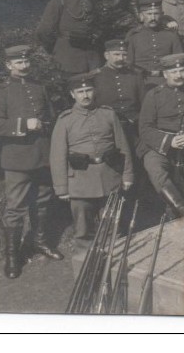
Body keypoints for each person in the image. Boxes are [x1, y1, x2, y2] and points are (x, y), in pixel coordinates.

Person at [0, 45, 62, 279]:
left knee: (42, 201)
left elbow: (50, 117)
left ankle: (39, 243)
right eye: (19, 63)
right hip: (17, 158)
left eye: (27, 61)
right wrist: (23, 125)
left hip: (42, 155)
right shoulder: (1, 92)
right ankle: (12, 256)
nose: (24, 66)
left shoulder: (39, 87)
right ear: (9, 66)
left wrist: (45, 125)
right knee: (15, 208)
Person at [50, 73, 134, 243]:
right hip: (80, 182)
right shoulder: (65, 120)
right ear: (72, 95)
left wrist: (127, 175)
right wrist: (62, 188)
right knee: (83, 232)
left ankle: (115, 264)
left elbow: (122, 146)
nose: (85, 95)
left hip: (109, 177)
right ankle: (85, 266)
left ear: (94, 91)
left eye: (88, 90)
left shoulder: (108, 114)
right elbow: (58, 156)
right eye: (80, 92)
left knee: (114, 228)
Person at [137, 53, 184, 218]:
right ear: (165, 74)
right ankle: (182, 208)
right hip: (157, 146)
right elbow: (145, 128)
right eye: (174, 72)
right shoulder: (154, 95)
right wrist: (170, 141)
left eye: (182, 71)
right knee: (155, 169)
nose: (179, 75)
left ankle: (179, 213)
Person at [35, 0, 102, 75]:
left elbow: (96, 25)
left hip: (91, 55)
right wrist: (55, 48)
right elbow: (44, 30)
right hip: (68, 54)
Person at [92, 39, 146, 146]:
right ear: (106, 55)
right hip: (107, 127)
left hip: (134, 125)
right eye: (116, 54)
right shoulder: (96, 77)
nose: (121, 58)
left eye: (124, 55)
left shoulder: (135, 75)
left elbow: (144, 102)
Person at [125, 0, 184, 87]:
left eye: (156, 14)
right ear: (141, 16)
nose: (153, 17)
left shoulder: (171, 35)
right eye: (149, 14)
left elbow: (180, 61)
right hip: (141, 81)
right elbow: (128, 63)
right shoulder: (134, 36)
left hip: (166, 81)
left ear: (161, 15)